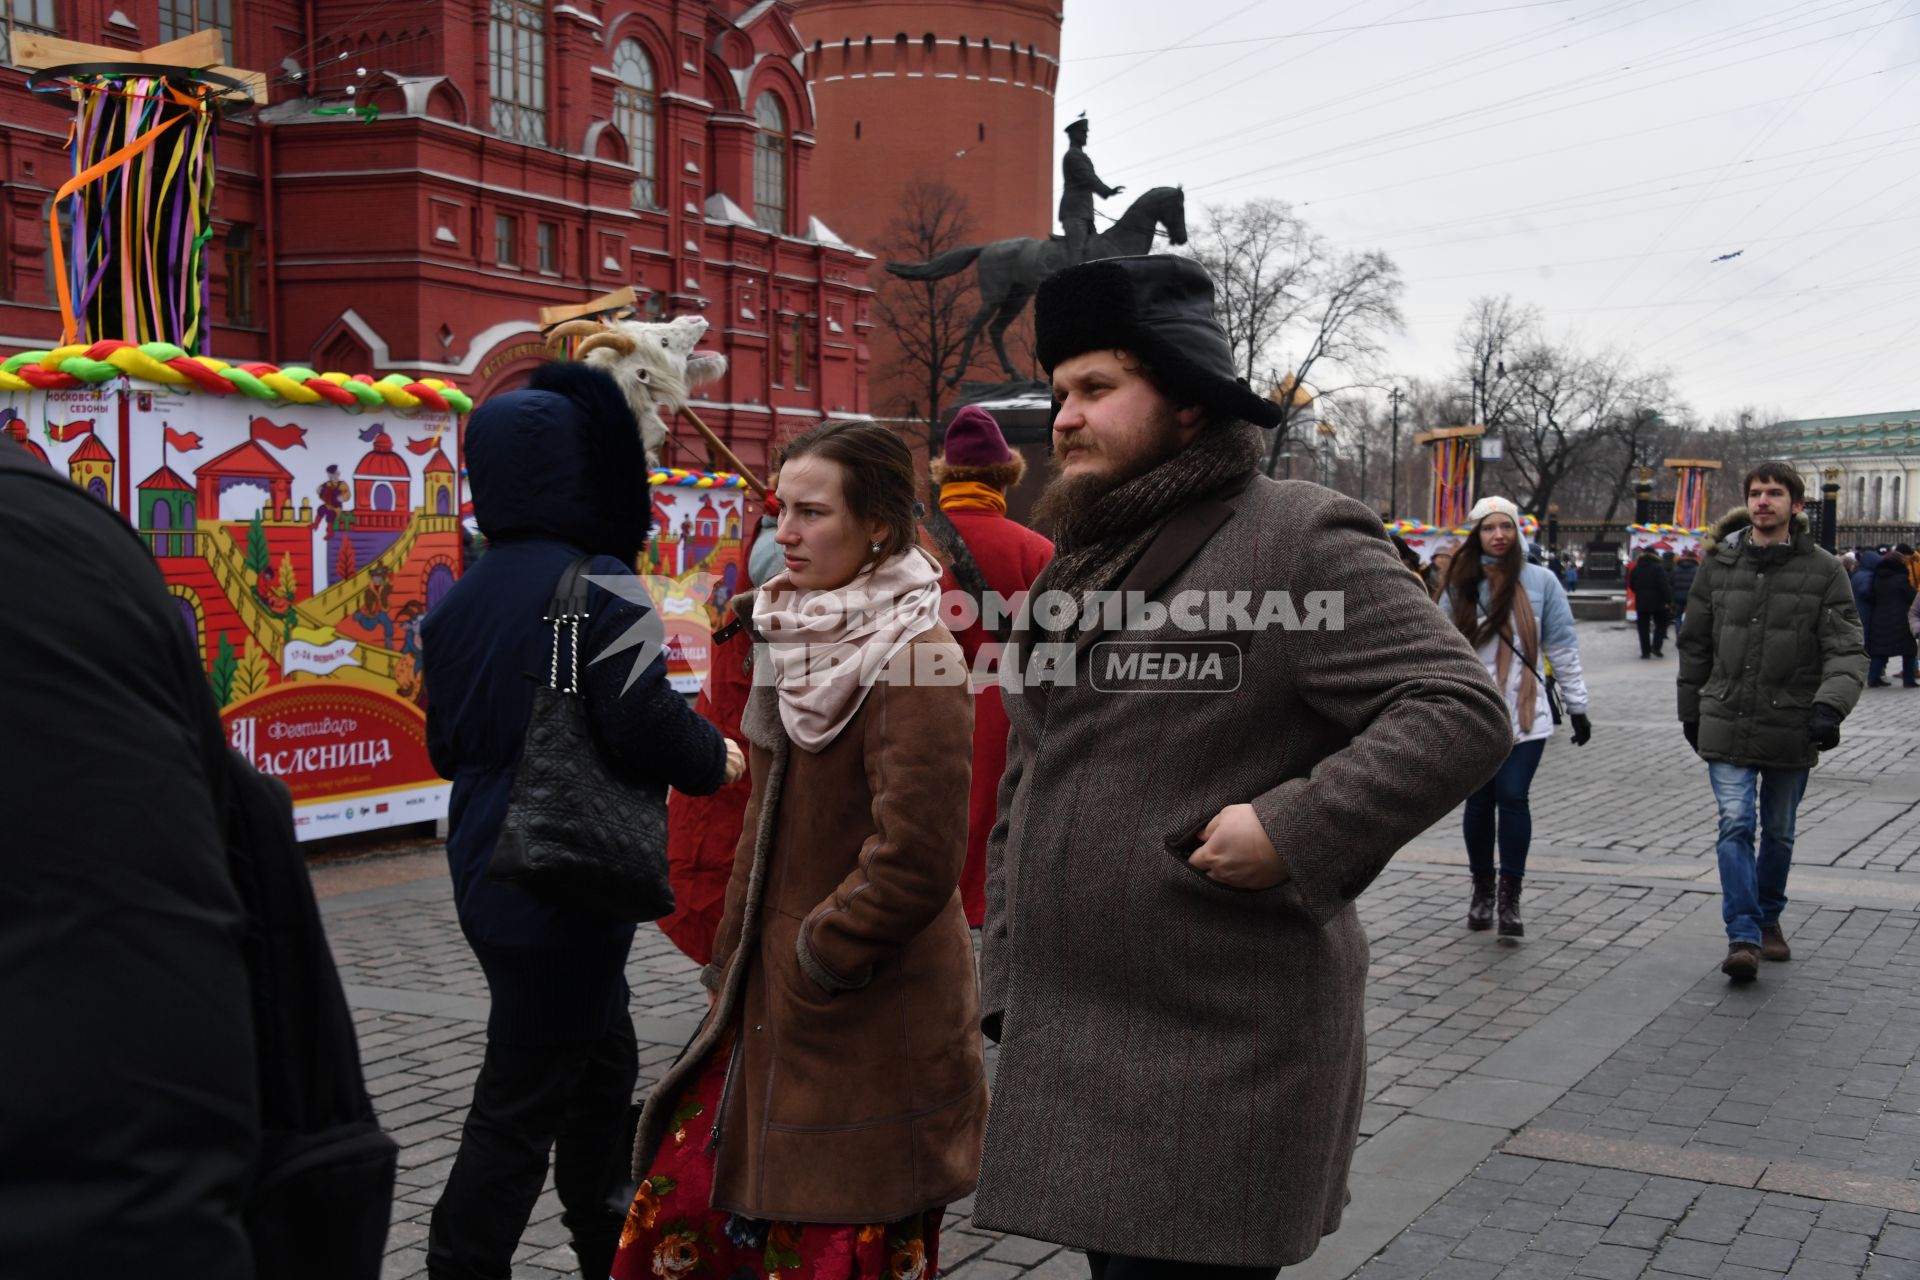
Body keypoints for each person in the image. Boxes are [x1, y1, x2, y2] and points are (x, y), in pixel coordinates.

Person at [975, 254, 1512, 1279]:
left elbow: (1455, 708)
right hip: (1081, 1041)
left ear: (1185, 400)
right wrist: (1005, 972)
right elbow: (1029, 776)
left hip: (1222, 1047)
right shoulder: (1074, 560)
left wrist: (1294, 828)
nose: (1065, 419)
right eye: (1058, 395)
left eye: (1096, 388)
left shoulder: (1296, 534)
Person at [615, 420, 985, 1280]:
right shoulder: (794, 626)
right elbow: (764, 812)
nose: (783, 532)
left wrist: (818, 954)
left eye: (812, 513)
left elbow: (918, 858)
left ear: (879, 528)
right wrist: (738, 946)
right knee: (700, 1213)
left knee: (826, 1240)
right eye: (782, 509)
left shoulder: (914, 653)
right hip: (765, 1000)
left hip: (858, 1016)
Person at [421, 363, 744, 1280]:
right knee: (519, 1103)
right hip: (564, 873)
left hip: (495, 858)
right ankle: (462, 1261)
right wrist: (711, 756)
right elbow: (636, 716)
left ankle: (609, 1243)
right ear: (586, 469)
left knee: (602, 1066)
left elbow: (457, 742)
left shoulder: (464, 598)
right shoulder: (600, 579)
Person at [1, 437, 260, 1279]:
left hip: (504, 839)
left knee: (541, 1082)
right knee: (565, 1070)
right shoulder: (44, 548)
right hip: (573, 853)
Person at [1677, 462, 1866, 982]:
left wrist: (1830, 707)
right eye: (1756, 493)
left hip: (1793, 721)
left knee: (1779, 832)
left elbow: (1847, 648)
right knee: (1736, 824)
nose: (1763, 501)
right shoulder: (1718, 562)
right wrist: (1690, 709)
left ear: (1796, 506)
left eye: (1775, 494)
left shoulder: (1824, 570)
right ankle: (1743, 933)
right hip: (1726, 714)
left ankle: (1769, 918)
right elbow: (1695, 642)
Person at [1440, 497, 1594, 937]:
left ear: (1517, 532)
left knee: (1513, 796)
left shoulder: (1542, 582)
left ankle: (1510, 899)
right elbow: (1439, 648)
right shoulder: (1458, 583)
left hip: (1527, 713)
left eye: (1506, 526)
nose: (1499, 535)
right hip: (1474, 710)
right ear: (1477, 534)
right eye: (1489, 528)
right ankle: (1482, 891)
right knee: (1479, 800)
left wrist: (1577, 706)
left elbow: (1562, 647)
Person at [925, 404, 1054, 926]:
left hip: (928, 706)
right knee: (999, 813)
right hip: (1009, 711)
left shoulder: (912, 552)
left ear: (945, 476)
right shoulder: (1038, 550)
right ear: (1004, 477)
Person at [1060, 114, 1122, 265]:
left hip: (1084, 212)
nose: (1086, 135)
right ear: (1074, 135)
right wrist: (1107, 191)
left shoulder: (1080, 155)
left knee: (1094, 250)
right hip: (1074, 212)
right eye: (1083, 132)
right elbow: (1088, 178)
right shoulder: (1073, 156)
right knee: (1078, 249)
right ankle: (1073, 280)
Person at [1866, 544, 1918, 687]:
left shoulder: (1877, 577)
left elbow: (1872, 595)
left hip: (1880, 616)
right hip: (1901, 618)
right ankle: (1908, 679)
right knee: (1909, 650)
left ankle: (1873, 677)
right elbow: (1911, 596)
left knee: (1879, 650)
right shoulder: (1901, 578)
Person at [1629, 545, 1674, 658]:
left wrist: (1640, 592)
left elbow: (1632, 585)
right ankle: (1656, 647)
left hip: (1641, 601)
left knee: (1643, 627)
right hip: (1657, 602)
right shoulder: (1658, 568)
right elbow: (1664, 585)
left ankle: (1645, 652)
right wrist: (1669, 600)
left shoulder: (1636, 568)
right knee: (1661, 624)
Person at [1671, 547, 1701, 631]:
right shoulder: (1698, 570)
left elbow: (1671, 583)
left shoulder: (1676, 568)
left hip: (1677, 597)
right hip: (1691, 597)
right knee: (1690, 618)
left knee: (1677, 617)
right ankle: (1687, 635)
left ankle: (1678, 635)